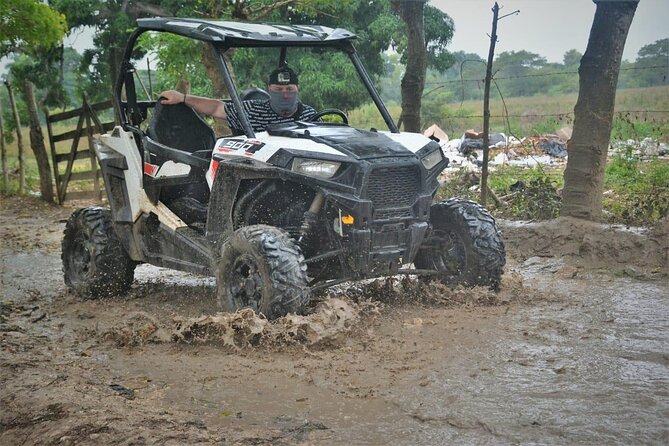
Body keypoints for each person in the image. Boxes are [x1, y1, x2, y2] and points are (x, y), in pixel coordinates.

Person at [159, 66, 317, 132]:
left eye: (289, 89)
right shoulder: (252, 110)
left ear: (298, 89)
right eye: (278, 90)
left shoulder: (310, 116)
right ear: (269, 89)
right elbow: (216, 108)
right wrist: (182, 97)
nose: (284, 94)